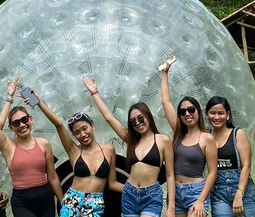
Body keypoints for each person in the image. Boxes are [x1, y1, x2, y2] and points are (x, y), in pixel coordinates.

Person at [0, 72, 64, 217]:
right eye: (16, 123)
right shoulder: (8, 146)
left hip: (45, 199)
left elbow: (52, 177)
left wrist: (62, 201)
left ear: (30, 119)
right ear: (11, 127)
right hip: (22, 202)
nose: (22, 125)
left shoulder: (44, 143)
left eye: (24, 119)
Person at [82, 75, 175, 217]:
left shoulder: (163, 140)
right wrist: (94, 93)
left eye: (140, 118)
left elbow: (170, 174)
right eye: (133, 121)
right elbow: (109, 118)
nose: (137, 123)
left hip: (151, 196)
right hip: (129, 194)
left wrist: (171, 208)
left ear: (148, 116)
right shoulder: (132, 140)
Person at [31, 89, 122, 217]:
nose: (82, 134)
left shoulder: (109, 150)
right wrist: (37, 101)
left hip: (95, 203)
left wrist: (136, 189)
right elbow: (59, 125)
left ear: (92, 126)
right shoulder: (74, 150)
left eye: (85, 128)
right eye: (77, 132)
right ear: (74, 135)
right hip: (72, 200)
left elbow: (112, 184)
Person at [160, 62, 218, 217]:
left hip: (196, 192)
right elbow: (166, 102)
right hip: (176, 193)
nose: (187, 114)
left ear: (198, 112)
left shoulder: (207, 138)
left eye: (191, 110)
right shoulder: (179, 134)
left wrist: (200, 200)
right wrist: (165, 74)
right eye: (183, 111)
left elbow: (212, 172)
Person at [205, 96, 255, 217]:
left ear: (227, 115)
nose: (216, 117)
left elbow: (246, 166)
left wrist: (239, 194)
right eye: (212, 113)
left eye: (221, 113)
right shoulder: (206, 136)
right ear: (207, 114)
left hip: (242, 190)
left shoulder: (238, 134)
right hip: (218, 193)